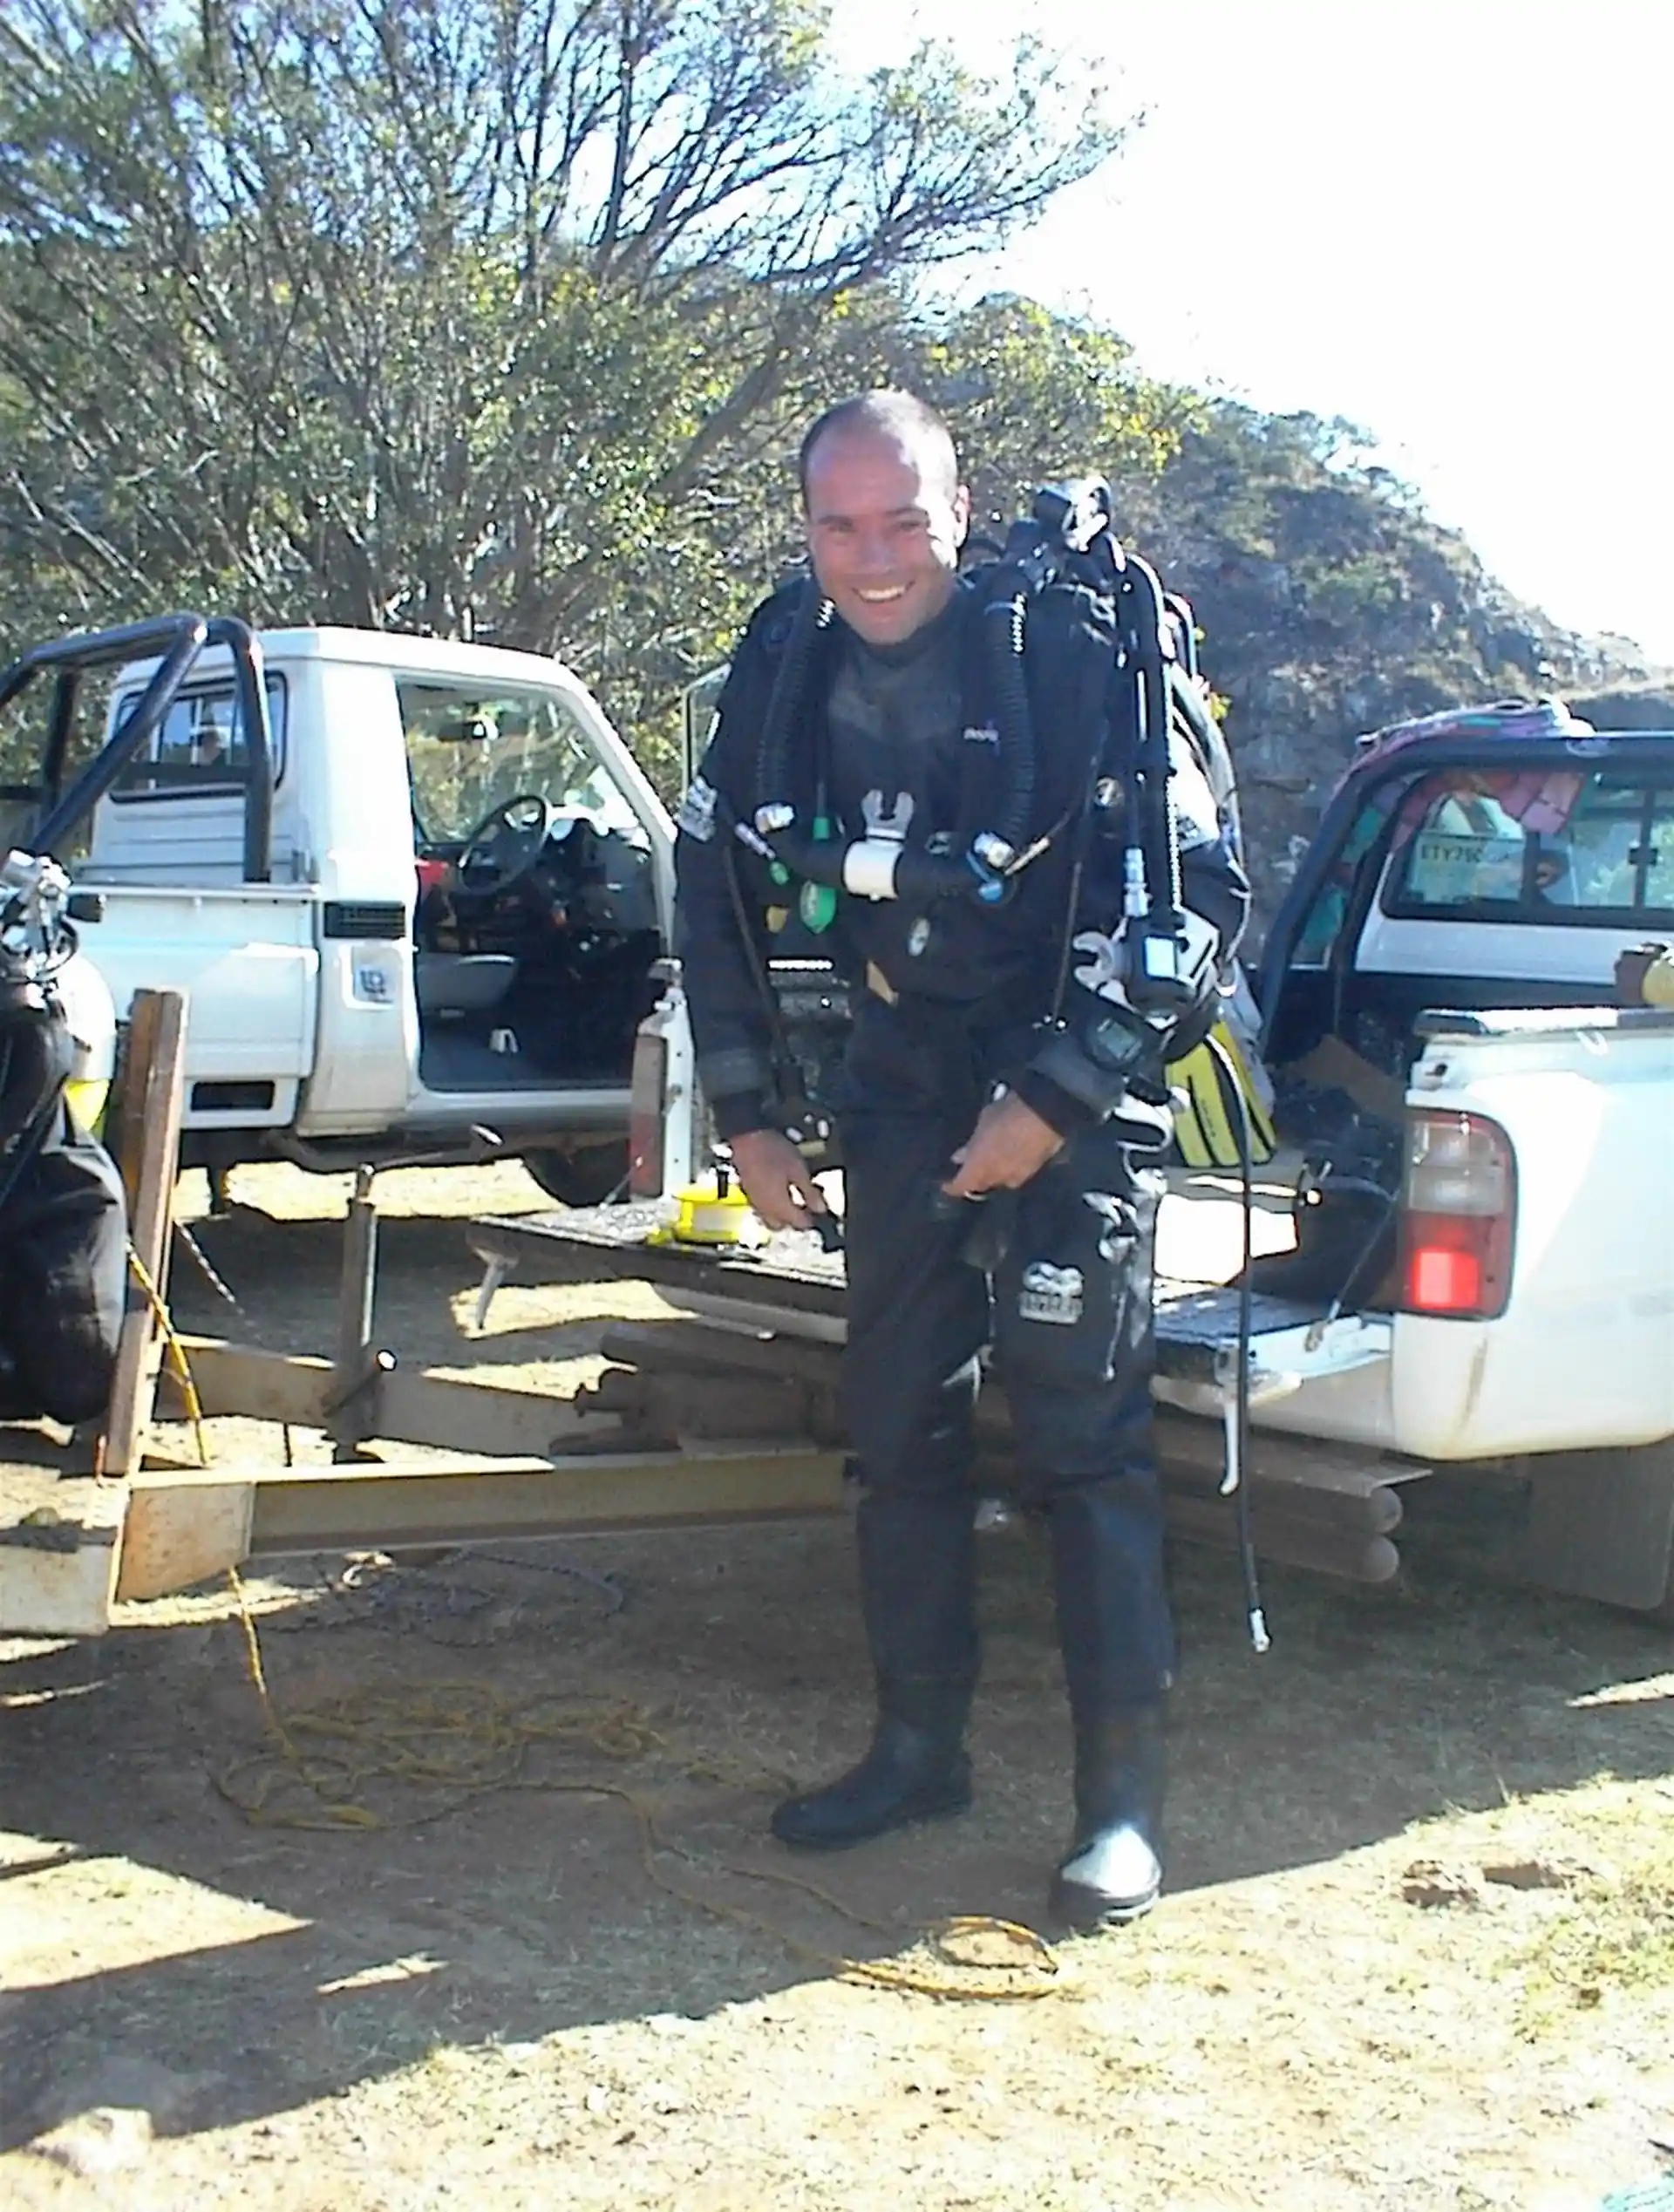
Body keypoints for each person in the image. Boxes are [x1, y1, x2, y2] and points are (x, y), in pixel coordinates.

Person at [672, 391, 1249, 1928]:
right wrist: (746, 1106)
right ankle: (916, 1749)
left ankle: (1120, 1806)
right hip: (900, 1085)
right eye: (838, 524)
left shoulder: (1071, 653)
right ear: (804, 526)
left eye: (904, 519)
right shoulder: (781, 665)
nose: (873, 558)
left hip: (1066, 1073)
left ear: (958, 504)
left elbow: (1199, 909)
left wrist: (1053, 1104)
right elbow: (710, 885)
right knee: (897, 1430)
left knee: (1083, 1443)